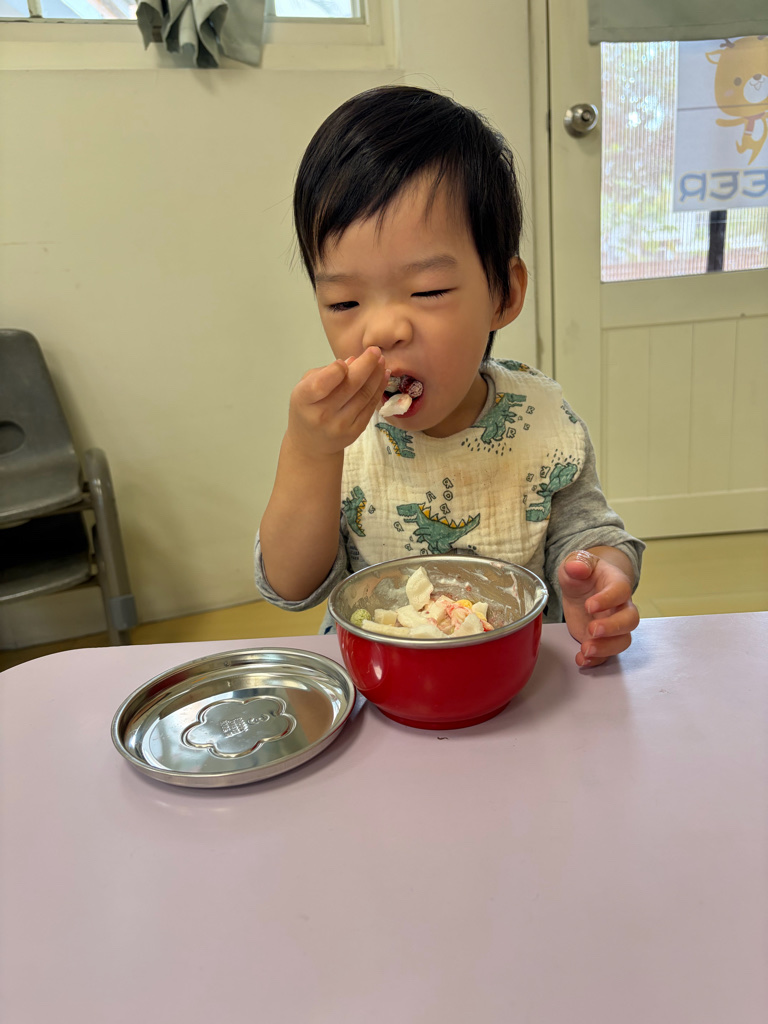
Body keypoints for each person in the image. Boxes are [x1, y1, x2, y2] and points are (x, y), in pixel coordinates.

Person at [256, 85, 643, 668]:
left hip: (514, 678)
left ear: (503, 294)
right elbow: (292, 586)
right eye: (343, 302)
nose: (381, 330)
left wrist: (601, 575)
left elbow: (589, 536)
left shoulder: (541, 422)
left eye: (428, 290)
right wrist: (310, 454)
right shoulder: (337, 436)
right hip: (380, 679)